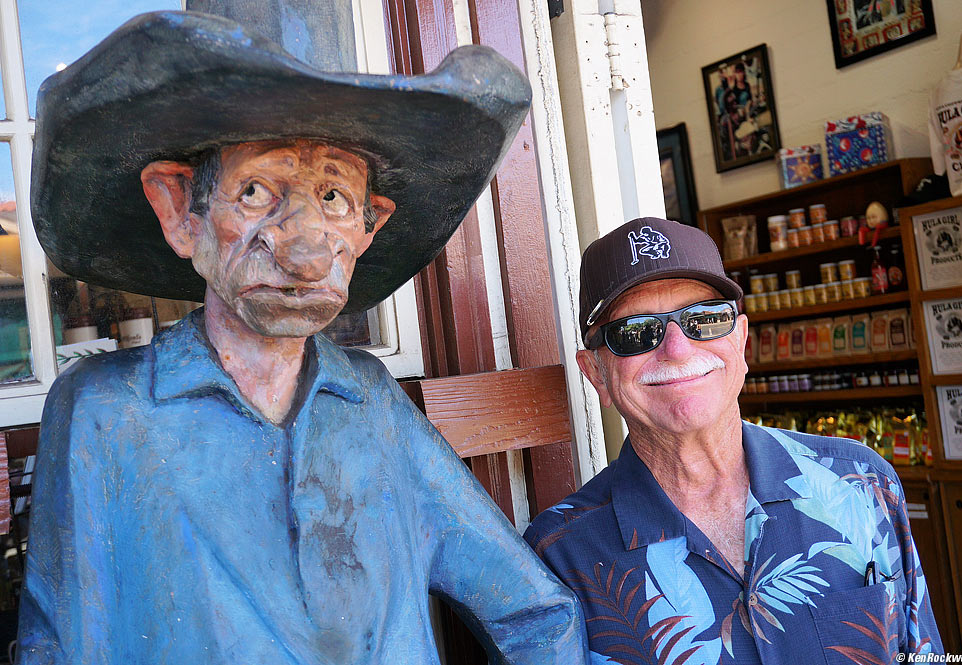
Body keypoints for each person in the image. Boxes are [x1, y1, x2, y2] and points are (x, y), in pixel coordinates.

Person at [17, 9, 586, 664]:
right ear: (181, 212)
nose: (308, 251)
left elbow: (538, 612)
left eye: (335, 198)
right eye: (256, 190)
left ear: (369, 227)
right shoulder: (104, 413)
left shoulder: (373, 407)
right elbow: (58, 648)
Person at [524, 217, 942, 664]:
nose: (678, 348)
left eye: (704, 319)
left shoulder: (861, 482)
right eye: (635, 332)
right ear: (596, 375)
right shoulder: (559, 557)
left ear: (740, 343)